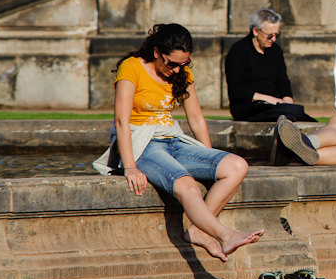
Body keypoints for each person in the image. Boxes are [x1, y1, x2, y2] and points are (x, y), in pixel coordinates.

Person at [93, 23, 264, 261]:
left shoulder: (182, 72)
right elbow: (121, 121)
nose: (176, 69)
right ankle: (224, 235)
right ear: (156, 53)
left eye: (183, 64)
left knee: (237, 165)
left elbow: (196, 119)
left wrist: (208, 156)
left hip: (174, 140)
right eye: (170, 63)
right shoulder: (131, 67)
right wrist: (130, 166)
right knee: (188, 186)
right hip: (143, 143)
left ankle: (197, 231)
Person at [224, 8, 315, 123]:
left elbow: (282, 81)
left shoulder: (275, 51)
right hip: (248, 107)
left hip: (274, 107)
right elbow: (236, 89)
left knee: (301, 115)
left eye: (277, 35)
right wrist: (271, 100)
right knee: (291, 113)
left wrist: (287, 101)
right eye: (269, 36)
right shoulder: (238, 51)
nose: (274, 39)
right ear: (256, 31)